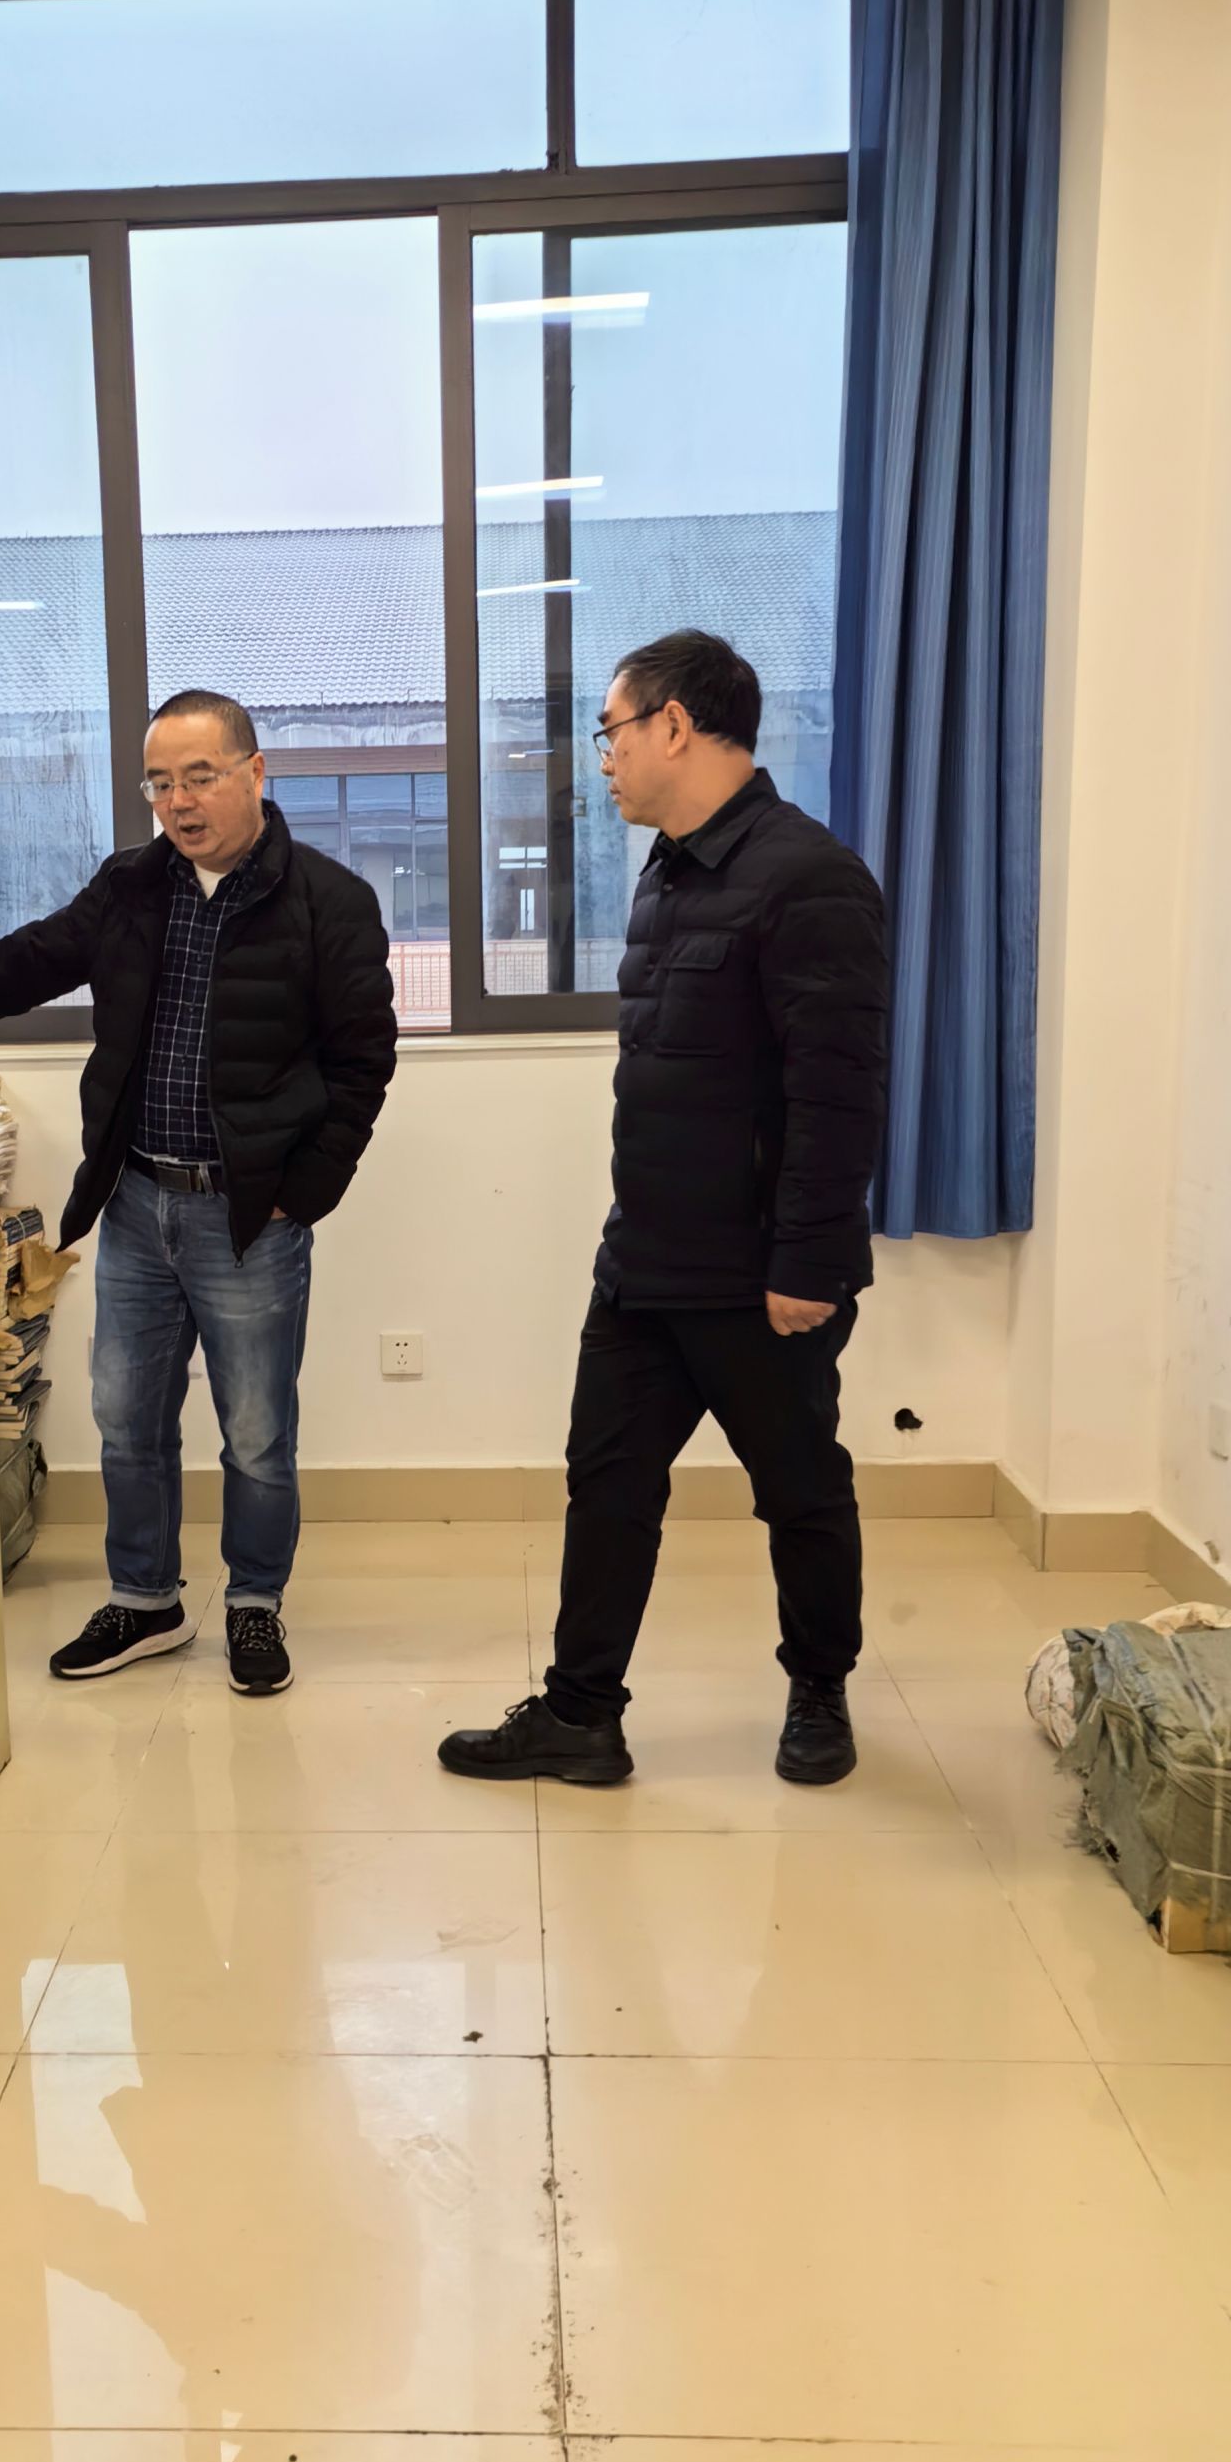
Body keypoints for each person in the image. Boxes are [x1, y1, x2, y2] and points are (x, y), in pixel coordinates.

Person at [439, 629, 888, 1788]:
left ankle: (819, 1689)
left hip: (757, 1273)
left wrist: (807, 1265)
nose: (603, 759)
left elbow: (835, 1095)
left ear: (674, 726)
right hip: (643, 1260)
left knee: (798, 1490)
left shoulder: (807, 877)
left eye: (611, 732)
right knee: (606, 1486)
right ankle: (580, 1714)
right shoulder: (668, 873)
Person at [0, 690, 396, 1696]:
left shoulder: (328, 900)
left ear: (255, 772)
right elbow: (32, 960)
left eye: (199, 777)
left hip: (248, 1217)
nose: (179, 802)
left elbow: (362, 1062)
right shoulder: (129, 885)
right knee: (126, 1418)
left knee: (255, 1431)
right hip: (135, 1202)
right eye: (159, 783)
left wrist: (304, 1193)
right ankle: (146, 1600)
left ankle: (253, 1604)